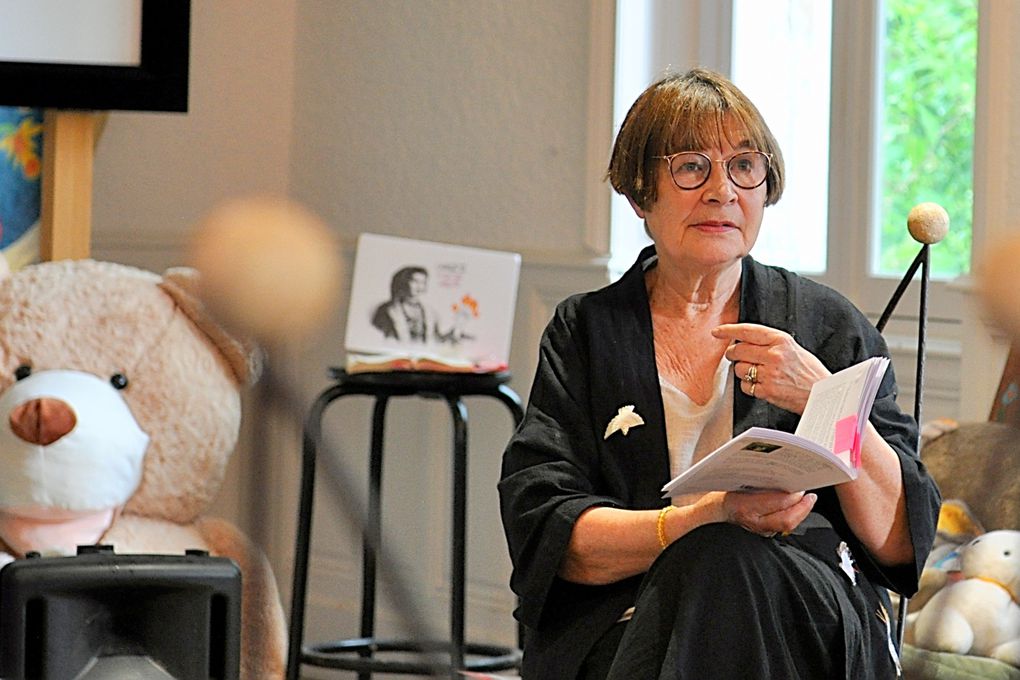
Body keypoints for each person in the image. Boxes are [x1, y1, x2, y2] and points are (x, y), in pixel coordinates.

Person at [498, 68, 940, 680]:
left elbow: (898, 544)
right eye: (689, 166)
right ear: (637, 194)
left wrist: (826, 398)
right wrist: (698, 520)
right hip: (627, 618)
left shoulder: (826, 324)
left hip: (803, 619)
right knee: (712, 554)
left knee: (725, 561)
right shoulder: (585, 332)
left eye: (744, 166)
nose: (722, 191)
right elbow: (547, 528)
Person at [371, 266, 435, 342]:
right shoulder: (387, 310)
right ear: (404, 282)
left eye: (423, 282)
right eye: (415, 281)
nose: (419, 286)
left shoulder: (429, 312)